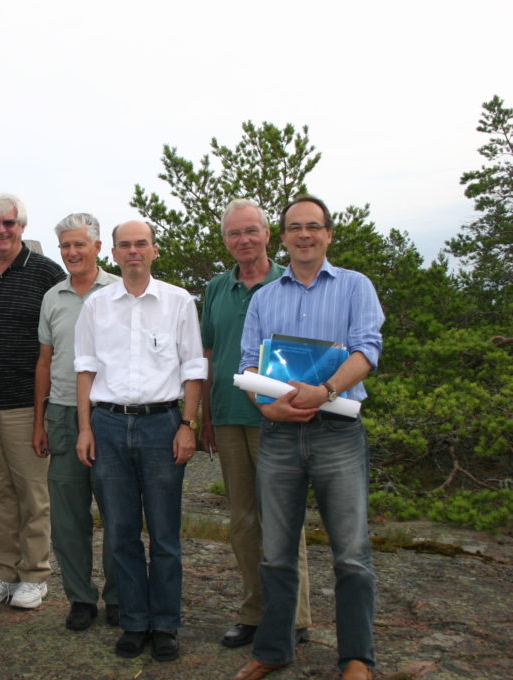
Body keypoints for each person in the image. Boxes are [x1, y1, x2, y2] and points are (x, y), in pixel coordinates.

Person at [233, 196, 384, 680]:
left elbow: (367, 351)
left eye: (313, 227)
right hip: (278, 433)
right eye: (294, 227)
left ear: (328, 234)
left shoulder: (356, 287)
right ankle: (275, 648)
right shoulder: (264, 298)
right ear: (284, 237)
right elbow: (247, 365)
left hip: (337, 431)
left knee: (352, 553)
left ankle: (356, 657)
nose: (304, 235)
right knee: (276, 552)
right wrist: (265, 405)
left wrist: (325, 391)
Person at [74, 220, 206, 662]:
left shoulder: (178, 301)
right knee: (121, 532)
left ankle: (165, 625)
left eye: (141, 244)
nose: (134, 251)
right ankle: (134, 622)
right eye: (125, 245)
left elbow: (193, 367)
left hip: (162, 424)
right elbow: (86, 369)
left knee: (165, 533)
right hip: (108, 425)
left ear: (154, 250)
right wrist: (85, 427)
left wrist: (188, 424)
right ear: (112, 252)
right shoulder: (96, 305)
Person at [199, 199, 312, 649]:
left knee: (284, 521)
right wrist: (204, 416)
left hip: (280, 418)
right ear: (225, 240)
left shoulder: (291, 284)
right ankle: (254, 612)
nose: (243, 240)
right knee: (244, 521)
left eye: (251, 231)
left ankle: (296, 618)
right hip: (229, 415)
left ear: (268, 234)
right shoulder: (215, 289)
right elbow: (208, 355)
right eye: (233, 234)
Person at [0, 193, 66, 610]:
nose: (1, 231)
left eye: (9, 223)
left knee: (31, 491)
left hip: (27, 401)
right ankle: (5, 570)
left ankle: (35, 574)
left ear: (22, 225)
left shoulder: (44, 272)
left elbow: (55, 336)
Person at [32, 213, 119, 631]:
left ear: (98, 247)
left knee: (117, 512)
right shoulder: (53, 297)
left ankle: (120, 596)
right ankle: (81, 597)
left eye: (79, 244)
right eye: (65, 246)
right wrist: (39, 420)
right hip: (64, 413)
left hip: (111, 412)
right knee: (68, 518)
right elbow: (44, 362)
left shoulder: (120, 291)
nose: (72, 253)